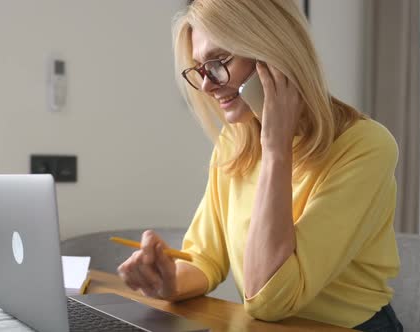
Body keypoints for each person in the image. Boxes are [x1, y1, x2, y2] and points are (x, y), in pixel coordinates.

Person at [117, 1, 403, 331]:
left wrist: (276, 149)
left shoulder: (366, 146)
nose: (207, 84)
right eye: (200, 67)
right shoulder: (234, 142)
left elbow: (270, 300)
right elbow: (205, 259)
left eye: (219, 61)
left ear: (273, 53)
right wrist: (168, 282)